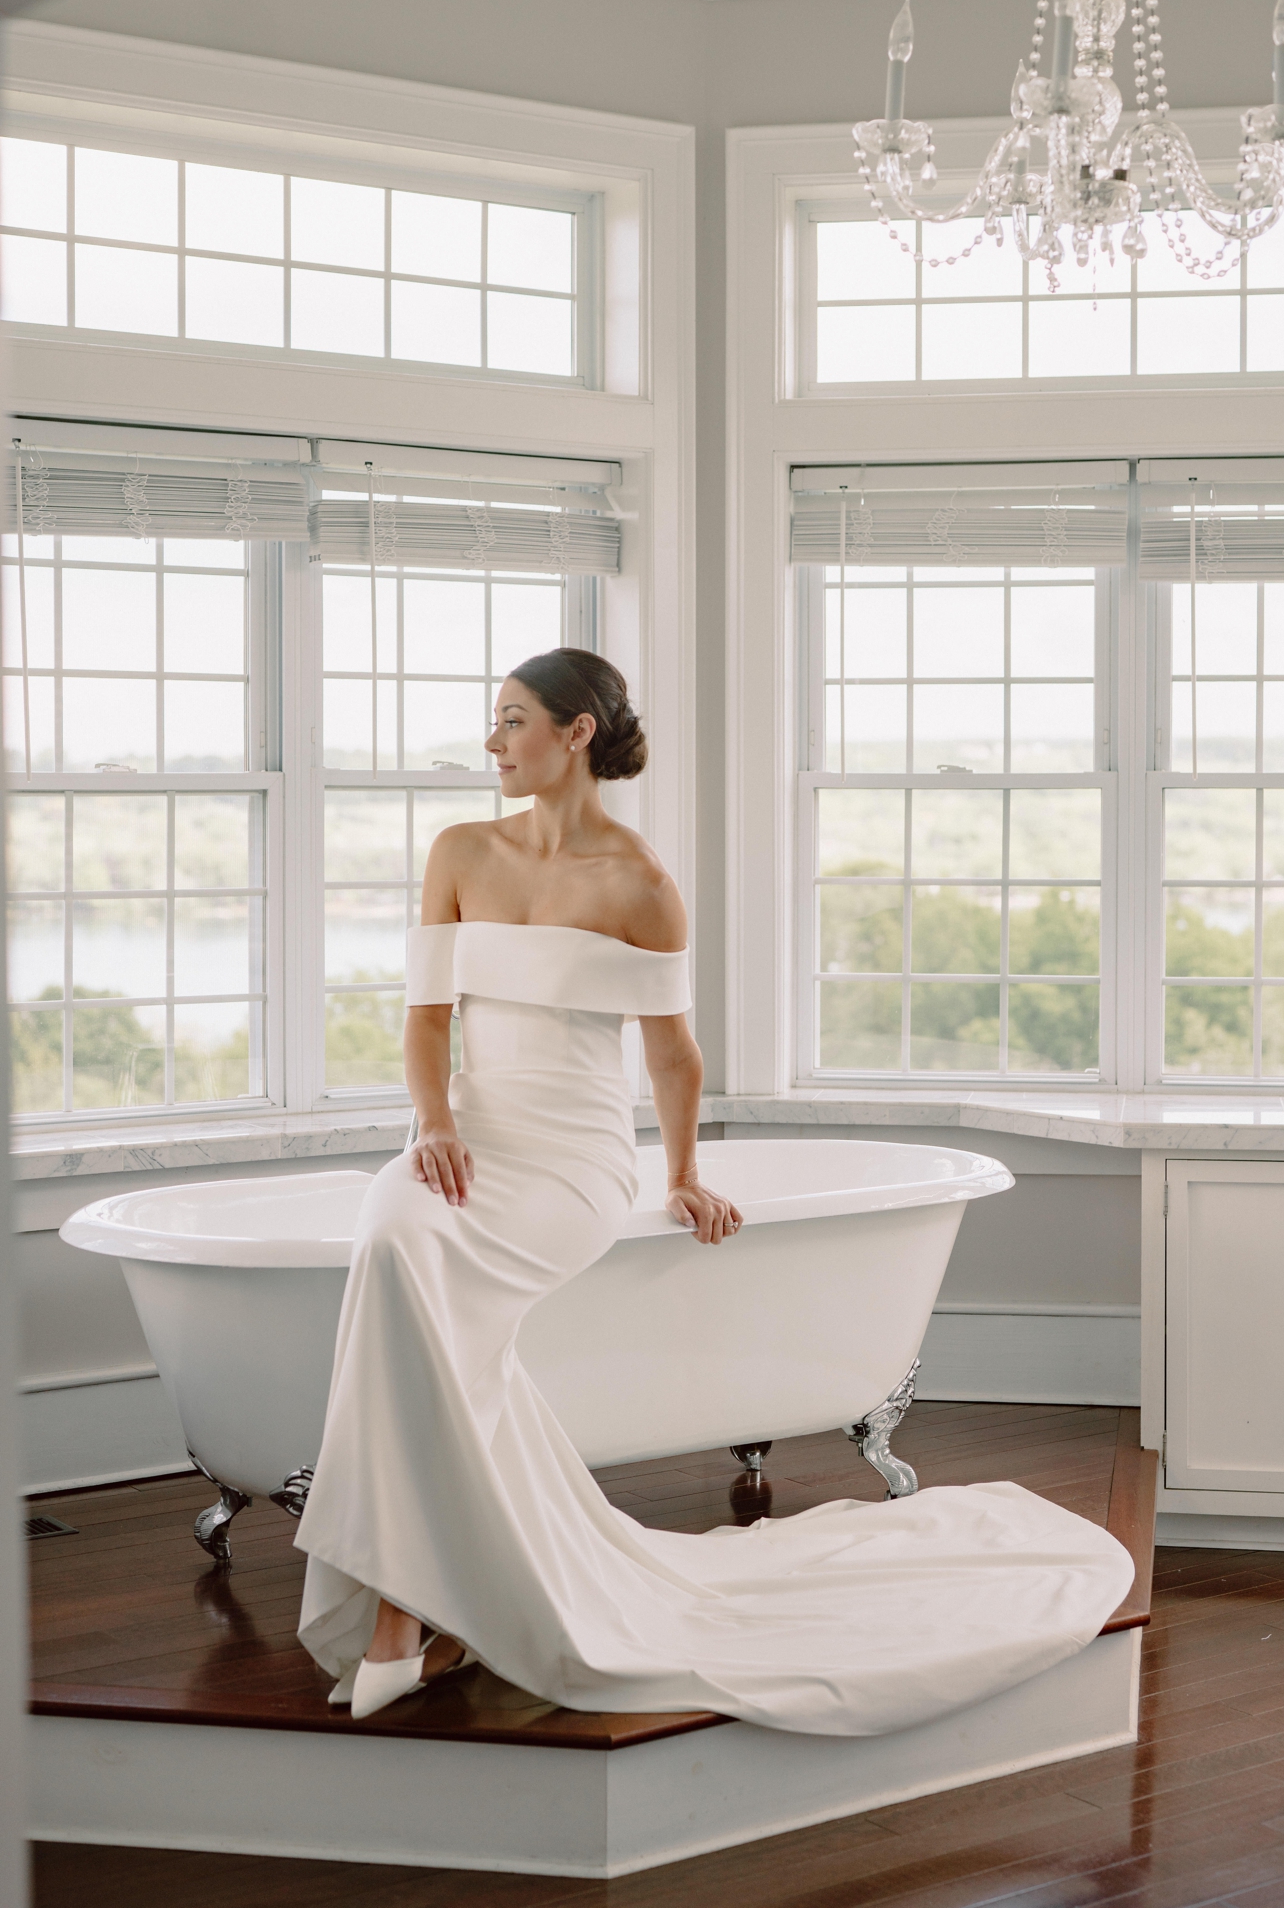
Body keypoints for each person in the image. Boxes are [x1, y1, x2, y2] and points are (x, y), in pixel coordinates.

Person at [296, 648, 1132, 1732]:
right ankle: (424, 1606)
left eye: (511, 720)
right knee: (395, 1253)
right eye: (492, 723)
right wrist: (438, 1122)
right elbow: (422, 1020)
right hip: (464, 1135)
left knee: (428, 1310)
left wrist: (683, 1172)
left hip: (571, 1159)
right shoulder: (459, 848)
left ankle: (404, 1613)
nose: (494, 743)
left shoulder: (639, 882)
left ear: (576, 730)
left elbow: (673, 1055)